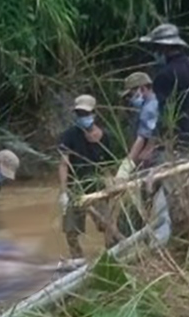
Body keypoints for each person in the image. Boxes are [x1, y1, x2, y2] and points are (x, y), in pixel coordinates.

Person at [57, 94, 116, 259]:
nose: (82, 118)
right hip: (75, 187)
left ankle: (111, 255)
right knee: (71, 230)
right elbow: (64, 164)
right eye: (79, 114)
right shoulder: (69, 136)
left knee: (107, 225)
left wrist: (111, 185)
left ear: (94, 114)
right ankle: (78, 259)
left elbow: (107, 167)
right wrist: (63, 192)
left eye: (85, 114)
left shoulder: (105, 137)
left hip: (97, 187)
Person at [139, 23, 189, 155]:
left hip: (172, 144)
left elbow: (162, 115)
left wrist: (150, 146)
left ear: (162, 48)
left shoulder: (164, 75)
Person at [122, 71, 159, 174]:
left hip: (153, 158)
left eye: (131, 94)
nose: (130, 99)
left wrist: (127, 165)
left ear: (142, 89)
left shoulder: (149, 109)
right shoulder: (153, 103)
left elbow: (142, 138)